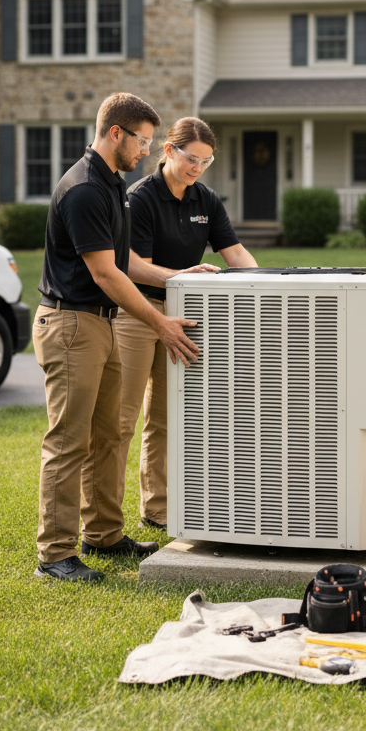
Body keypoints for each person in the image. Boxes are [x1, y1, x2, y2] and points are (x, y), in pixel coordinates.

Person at [33, 93, 212, 583]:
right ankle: (54, 554)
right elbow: (106, 274)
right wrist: (160, 323)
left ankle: (105, 534)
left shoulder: (112, 185)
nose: (146, 152)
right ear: (117, 133)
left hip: (101, 323)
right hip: (71, 324)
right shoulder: (85, 189)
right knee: (69, 440)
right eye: (143, 141)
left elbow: (128, 263)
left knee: (109, 433)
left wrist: (179, 276)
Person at [115, 117, 257, 529]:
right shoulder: (139, 197)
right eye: (191, 158)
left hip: (184, 320)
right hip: (139, 313)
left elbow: (235, 252)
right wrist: (180, 275)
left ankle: (157, 510)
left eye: (206, 162)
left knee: (165, 415)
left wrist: (266, 283)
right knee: (122, 420)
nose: (197, 168)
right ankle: (103, 523)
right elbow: (132, 266)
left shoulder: (206, 200)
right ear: (168, 151)